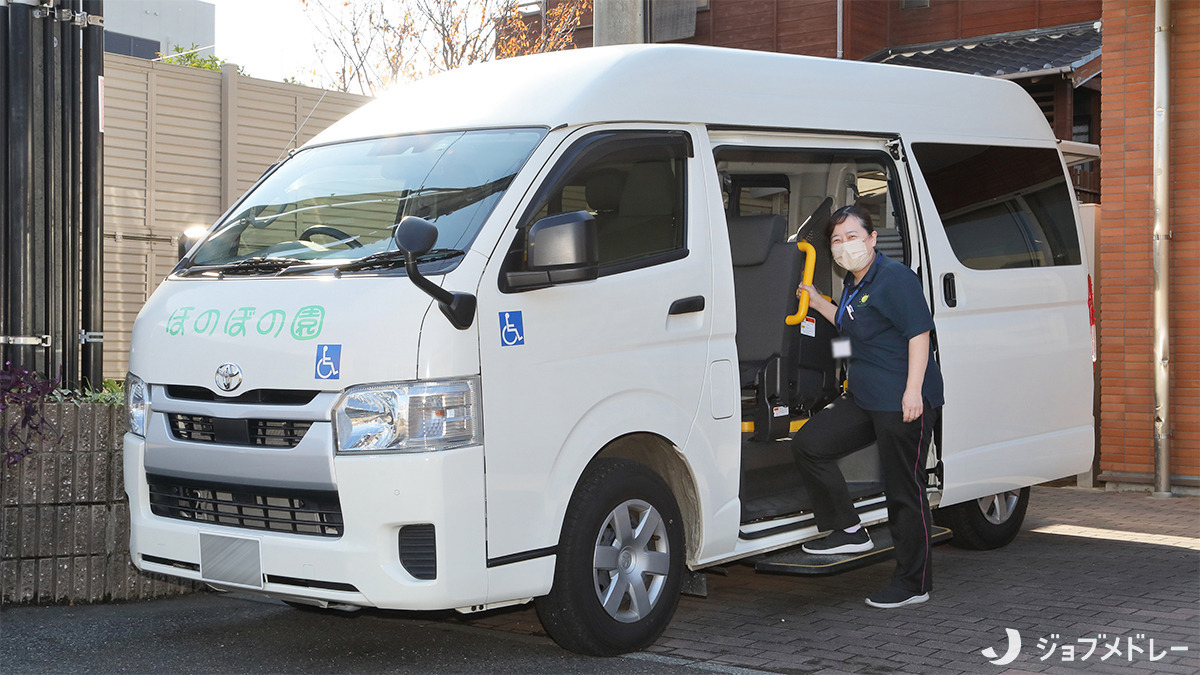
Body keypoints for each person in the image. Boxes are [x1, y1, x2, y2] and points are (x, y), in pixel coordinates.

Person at [792, 204, 944, 609]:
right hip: (864, 397)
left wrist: (913, 392)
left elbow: (919, 334)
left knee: (903, 491)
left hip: (901, 401)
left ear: (873, 239)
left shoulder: (894, 279)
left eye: (852, 236)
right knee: (811, 444)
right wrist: (818, 301)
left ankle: (914, 583)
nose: (845, 246)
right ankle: (847, 528)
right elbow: (848, 321)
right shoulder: (854, 283)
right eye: (837, 240)